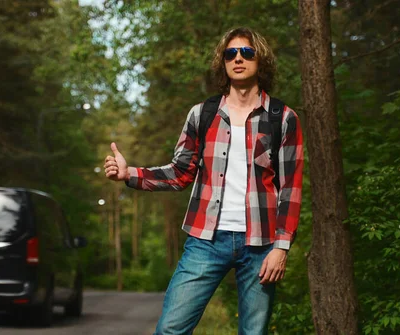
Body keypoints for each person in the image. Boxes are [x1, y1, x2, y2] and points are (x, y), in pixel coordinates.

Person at [103, 27, 304, 335]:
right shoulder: (203, 114)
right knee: (170, 330)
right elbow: (179, 173)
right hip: (206, 241)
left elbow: (290, 190)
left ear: (259, 61)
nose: (238, 58)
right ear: (223, 62)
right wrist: (129, 173)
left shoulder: (282, 118)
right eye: (230, 53)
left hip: (261, 244)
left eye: (246, 53)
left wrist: (282, 247)